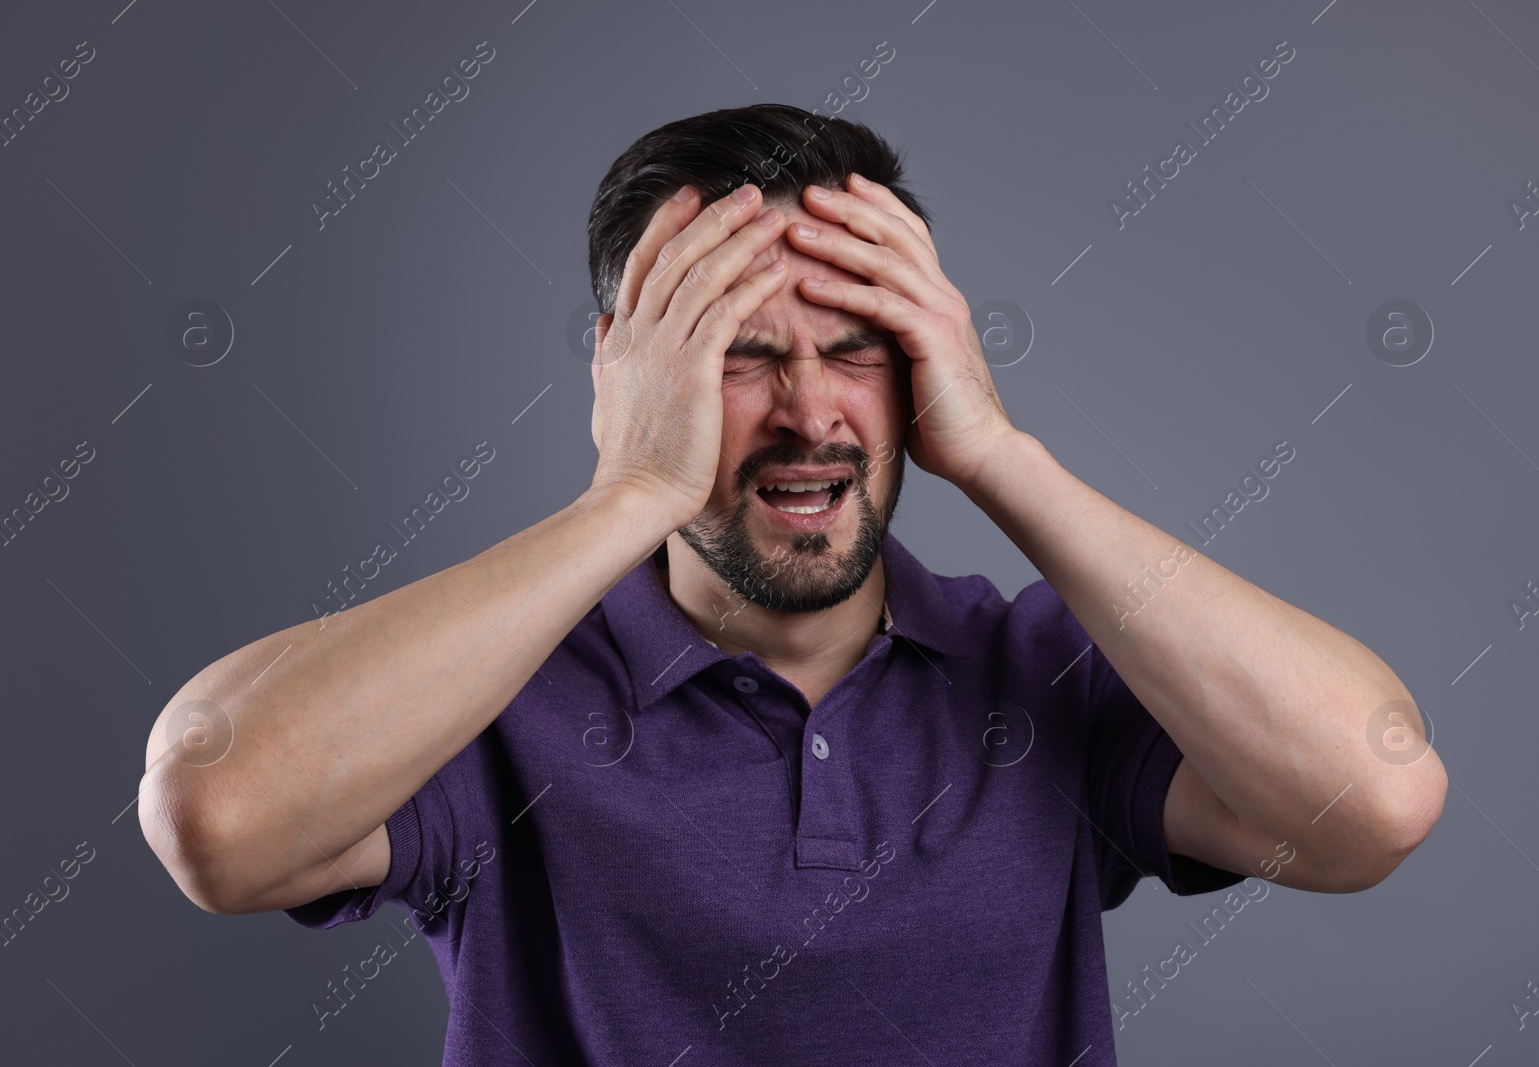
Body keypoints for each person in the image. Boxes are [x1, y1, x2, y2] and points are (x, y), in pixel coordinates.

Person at [139, 103, 1447, 1065]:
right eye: (740, 352)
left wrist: (997, 456)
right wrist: (630, 495)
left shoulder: (1043, 673)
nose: (812, 410)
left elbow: (1376, 796)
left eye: (858, 347)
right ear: (623, 368)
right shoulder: (492, 701)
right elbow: (214, 805)